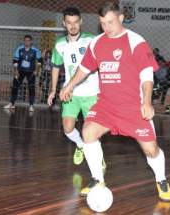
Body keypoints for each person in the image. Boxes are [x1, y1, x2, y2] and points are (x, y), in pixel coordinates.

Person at [60, 2, 170, 201]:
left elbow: (147, 76)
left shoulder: (136, 42)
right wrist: (69, 85)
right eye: (103, 23)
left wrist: (147, 103)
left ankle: (161, 179)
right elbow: (85, 69)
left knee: (151, 149)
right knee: (88, 132)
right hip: (106, 105)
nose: (107, 28)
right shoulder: (97, 42)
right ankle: (97, 178)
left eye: (111, 22)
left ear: (121, 18)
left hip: (132, 108)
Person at [47, 7, 105, 170]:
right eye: (69, 23)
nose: (73, 26)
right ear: (64, 24)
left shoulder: (91, 40)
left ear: (81, 22)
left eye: (76, 22)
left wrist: (105, 90)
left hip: (92, 93)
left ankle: (97, 157)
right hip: (70, 92)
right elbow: (56, 67)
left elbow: (102, 65)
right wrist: (53, 89)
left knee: (93, 131)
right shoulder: (59, 45)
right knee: (67, 127)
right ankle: (81, 145)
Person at [4, 35, 43, 112]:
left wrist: (37, 70)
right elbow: (15, 61)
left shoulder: (35, 50)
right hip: (20, 71)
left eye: (28, 40)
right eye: (25, 40)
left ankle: (31, 105)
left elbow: (40, 61)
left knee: (31, 88)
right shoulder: (19, 49)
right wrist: (16, 71)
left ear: (31, 41)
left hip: (31, 72)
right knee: (15, 87)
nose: (26, 42)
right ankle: (12, 104)